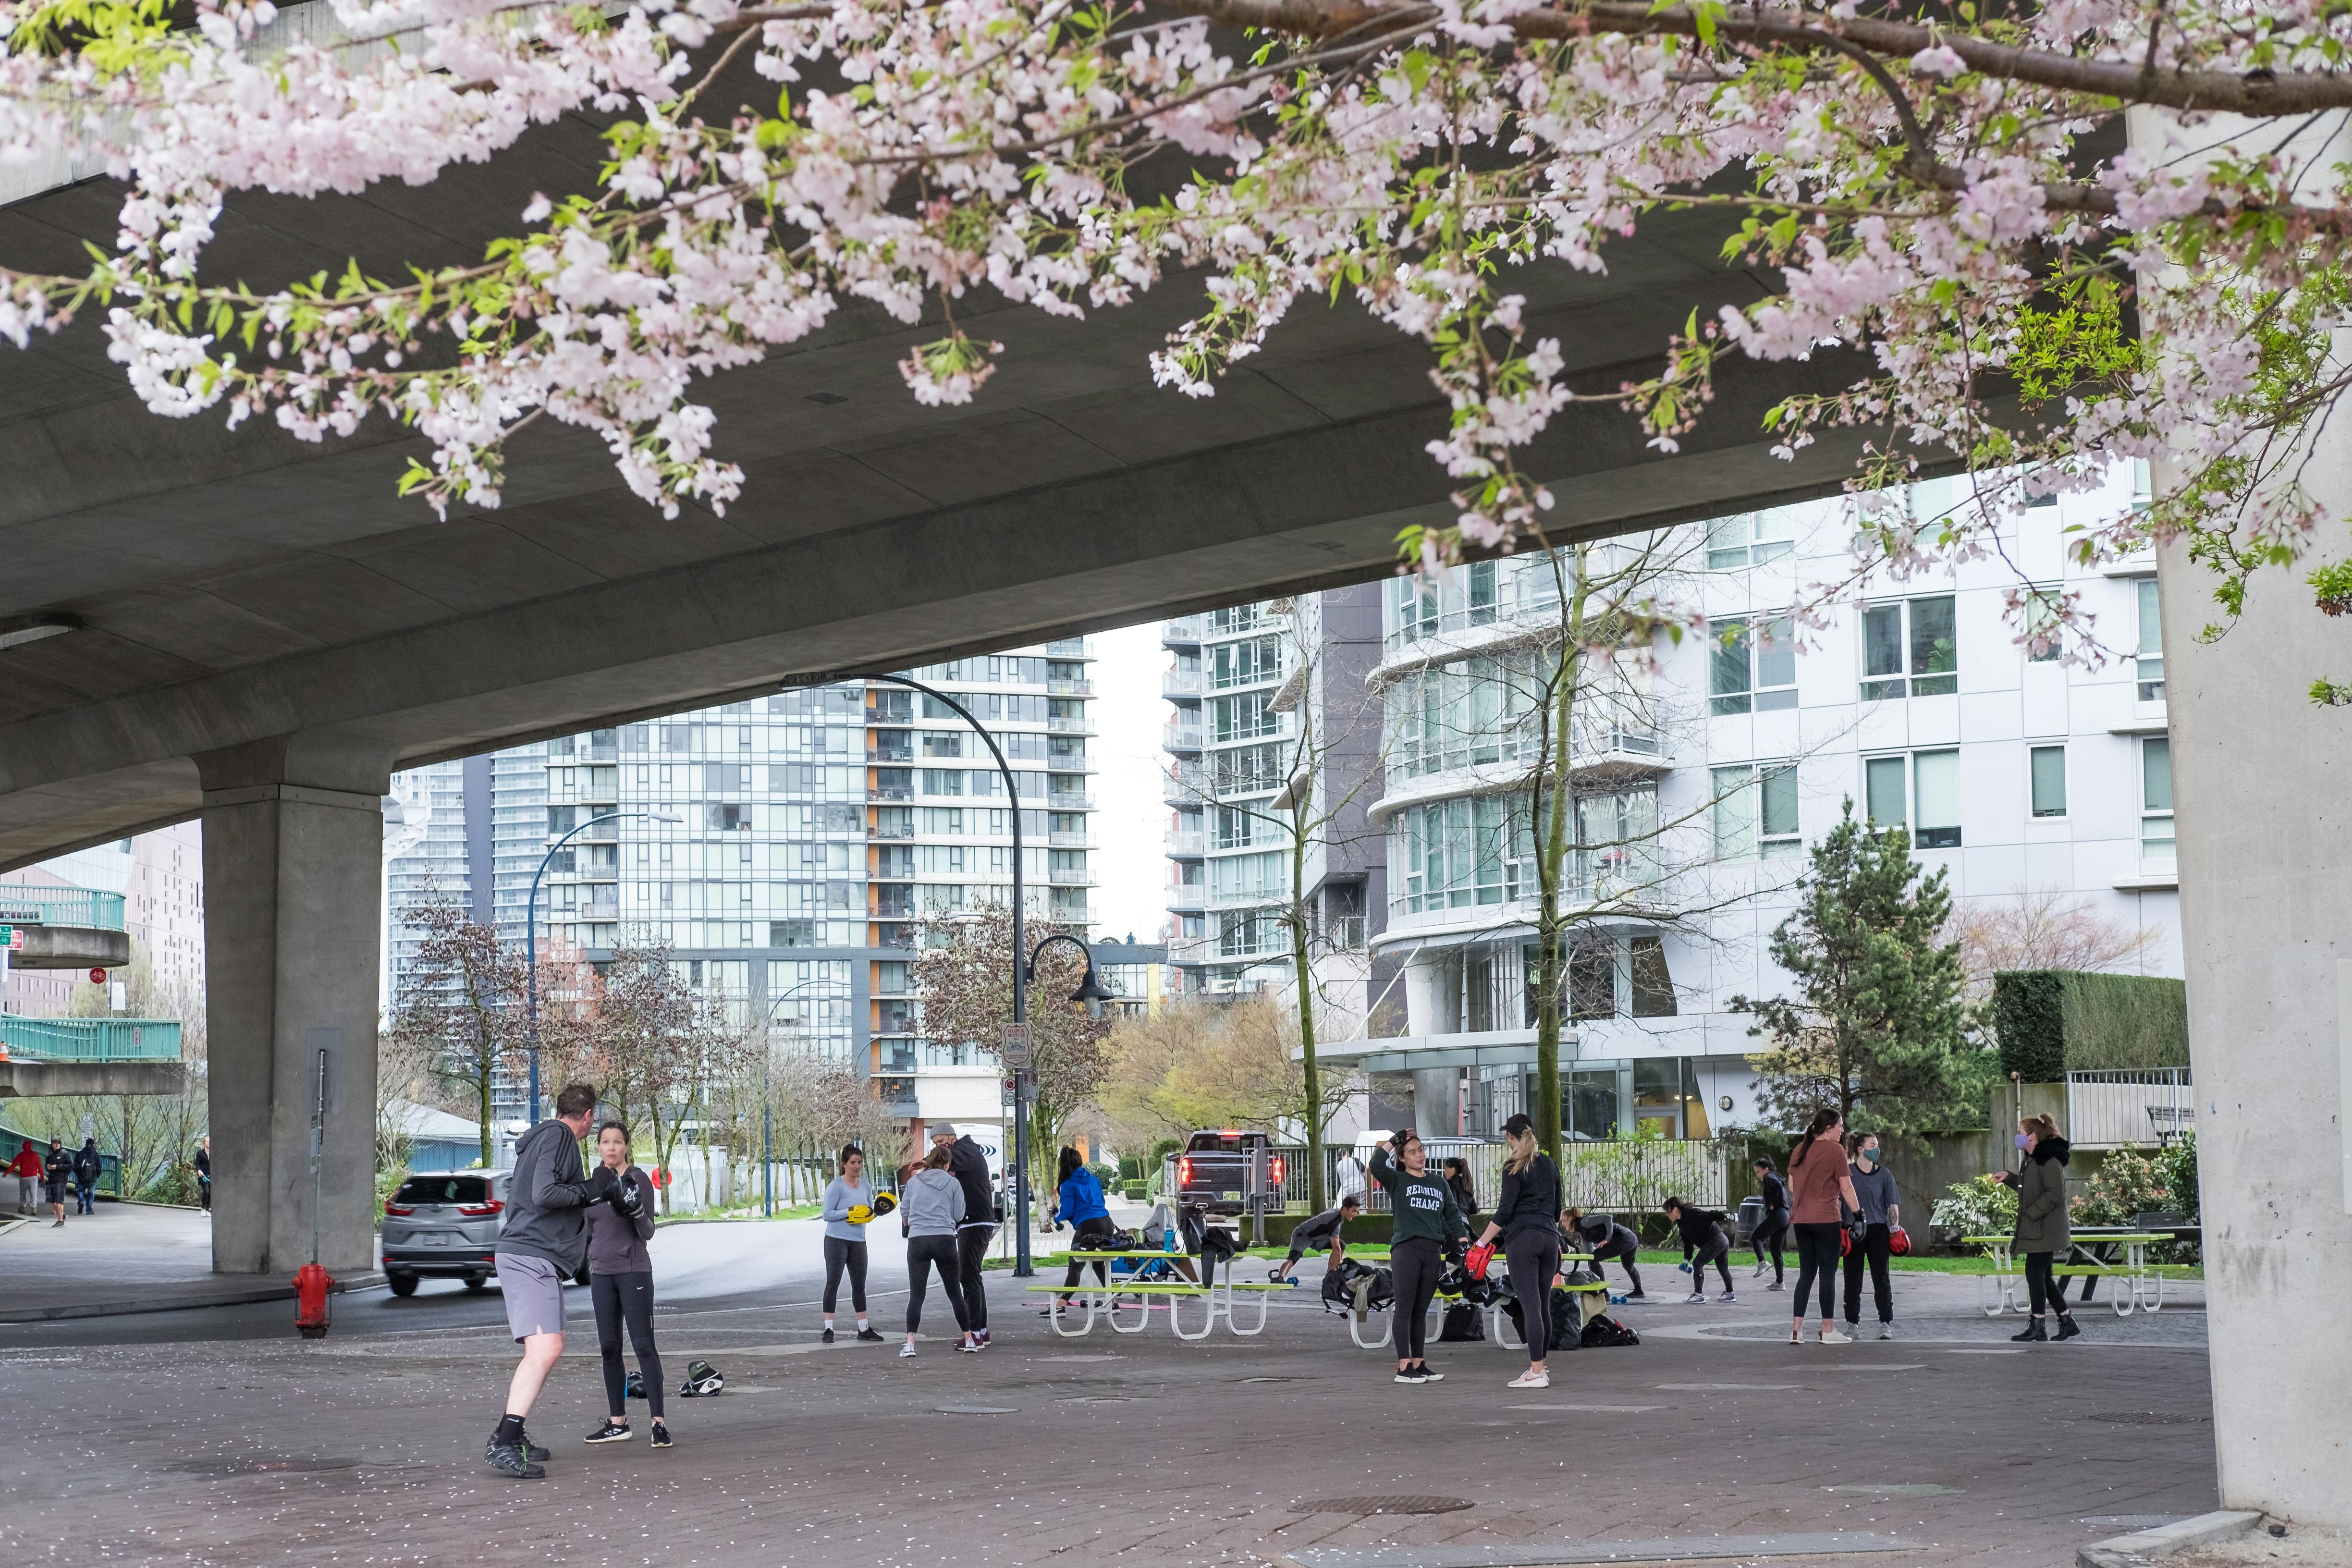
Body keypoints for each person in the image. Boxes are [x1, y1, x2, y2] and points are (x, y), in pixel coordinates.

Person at [485, 1082, 616, 1479]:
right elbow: (545, 1194)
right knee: (546, 1349)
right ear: (589, 1116)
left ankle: (514, 1431)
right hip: (530, 1256)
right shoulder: (560, 1136)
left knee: (545, 1347)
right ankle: (504, 1441)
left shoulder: (545, 1138)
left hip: (534, 1256)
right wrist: (592, 1190)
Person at [580, 1120, 667, 1450]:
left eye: (618, 1142)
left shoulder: (638, 1180)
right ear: (599, 1146)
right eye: (605, 1142)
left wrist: (633, 1209)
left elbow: (648, 1231)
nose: (612, 1147)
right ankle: (618, 1422)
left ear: (626, 1146)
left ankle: (659, 1423)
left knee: (643, 1345)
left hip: (633, 1272)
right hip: (601, 1274)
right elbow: (588, 1231)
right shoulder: (594, 1184)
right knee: (609, 1348)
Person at [1368, 1127, 1468, 1384]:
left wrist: (1462, 1239)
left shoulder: (1439, 1182)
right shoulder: (1398, 1181)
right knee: (1405, 1308)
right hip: (1406, 1250)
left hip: (1432, 1251)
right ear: (1403, 1158)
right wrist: (1394, 1141)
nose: (1420, 1155)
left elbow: (1452, 1214)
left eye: (1421, 1149)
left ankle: (1419, 1363)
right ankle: (1403, 1367)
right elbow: (1376, 1165)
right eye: (1412, 1152)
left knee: (1421, 1310)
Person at [1472, 1113, 1564, 1390]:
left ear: (1511, 1138)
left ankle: (1537, 1372)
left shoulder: (1513, 1166)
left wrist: (1480, 1243)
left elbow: (1504, 1213)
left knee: (1530, 1306)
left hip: (1524, 1240)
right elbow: (1558, 1209)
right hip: (1550, 1239)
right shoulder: (1550, 1165)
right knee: (1543, 1305)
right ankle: (1541, 1367)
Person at [1990, 1114, 2081, 1343]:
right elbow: (2028, 1187)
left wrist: (2032, 1214)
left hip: (2046, 1230)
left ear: (2032, 1137)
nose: (2017, 1138)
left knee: (2034, 1274)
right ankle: (2067, 1321)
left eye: (2020, 1134)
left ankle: (2038, 1325)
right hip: (2039, 1229)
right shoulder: (2030, 1159)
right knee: (2045, 1278)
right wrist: (2009, 1178)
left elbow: (2055, 1194)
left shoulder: (2047, 1160)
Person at [1786, 1107, 1862, 1346]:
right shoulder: (1835, 1150)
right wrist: (1859, 1215)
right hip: (1826, 1219)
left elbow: (1791, 1185)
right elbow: (1847, 1187)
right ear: (1829, 1128)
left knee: (1806, 1274)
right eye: (1840, 1126)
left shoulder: (1800, 1149)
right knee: (1827, 1275)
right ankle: (1827, 1330)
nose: (1842, 1131)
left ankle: (1796, 1331)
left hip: (1801, 1220)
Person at [900, 1142, 975, 1357]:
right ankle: (969, 1339)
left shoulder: (914, 1182)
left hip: (918, 1241)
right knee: (954, 1293)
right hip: (945, 1240)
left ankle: (910, 1344)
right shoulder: (953, 1183)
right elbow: (959, 1214)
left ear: (929, 1161)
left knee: (917, 1295)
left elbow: (904, 1210)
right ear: (948, 1164)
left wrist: (912, 1220)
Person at [819, 1145, 884, 1344]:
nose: (857, 1167)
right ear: (844, 1164)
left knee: (859, 1285)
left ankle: (863, 1328)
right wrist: (849, 1212)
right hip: (836, 1240)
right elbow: (827, 1215)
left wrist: (875, 1213)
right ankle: (828, 1329)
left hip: (858, 1241)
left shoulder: (865, 1186)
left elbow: (869, 1210)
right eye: (853, 1163)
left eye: (859, 1163)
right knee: (833, 1282)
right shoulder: (836, 1186)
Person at [942, 1125, 998, 1349]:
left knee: (967, 1276)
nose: (941, 1147)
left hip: (974, 1220)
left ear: (951, 1136)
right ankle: (982, 1331)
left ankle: (974, 1333)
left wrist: (927, 1165)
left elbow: (942, 1163)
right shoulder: (970, 1149)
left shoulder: (963, 1149)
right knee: (974, 1276)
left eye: (940, 1142)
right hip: (977, 1219)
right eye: (936, 1144)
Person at [1841, 1131, 1901, 1340]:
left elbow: (1892, 1205)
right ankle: (1852, 1324)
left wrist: (1894, 1231)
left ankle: (1885, 1323)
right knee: (1852, 1279)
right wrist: (1841, 1228)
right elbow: (1839, 1201)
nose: (1877, 1148)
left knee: (1881, 1278)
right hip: (1854, 1230)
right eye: (1873, 1144)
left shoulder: (1885, 1174)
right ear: (1861, 1149)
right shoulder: (1847, 1173)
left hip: (1877, 1230)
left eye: (1877, 1144)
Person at [1053, 1147, 1115, 1307]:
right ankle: (1113, 1303)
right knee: (1098, 1264)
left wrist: (1056, 1217)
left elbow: (1066, 1210)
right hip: (1107, 1222)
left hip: (1089, 1225)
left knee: (1075, 1264)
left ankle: (1060, 1306)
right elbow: (1101, 1201)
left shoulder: (1068, 1184)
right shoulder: (1094, 1179)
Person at [1271, 1196, 1360, 1285]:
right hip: (1303, 1235)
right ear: (1345, 1209)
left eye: (1357, 1212)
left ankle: (1329, 1277)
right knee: (1294, 1257)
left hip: (1319, 1238)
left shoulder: (1338, 1214)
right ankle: (1280, 1278)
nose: (1355, 1215)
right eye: (1353, 1211)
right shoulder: (1334, 1223)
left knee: (1341, 1246)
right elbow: (1336, 1249)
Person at [1662, 1196, 1735, 1303]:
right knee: (1723, 1268)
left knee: (1698, 1264)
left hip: (1716, 1240)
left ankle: (1698, 1295)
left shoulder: (1691, 1213)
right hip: (1721, 1240)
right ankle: (1730, 1294)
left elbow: (1709, 1216)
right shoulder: (1681, 1223)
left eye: (1668, 1212)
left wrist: (1725, 1215)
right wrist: (1687, 1260)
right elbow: (1688, 1243)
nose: (1667, 1215)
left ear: (1676, 1209)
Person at [1568, 1209, 1647, 1301]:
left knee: (1594, 1259)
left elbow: (1608, 1218)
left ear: (1570, 1219)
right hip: (1631, 1238)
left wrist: (1608, 1239)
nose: (1562, 1224)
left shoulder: (1585, 1222)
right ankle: (1639, 1291)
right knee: (1628, 1265)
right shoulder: (1583, 1234)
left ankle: (1604, 1294)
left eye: (1563, 1221)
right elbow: (1590, 1255)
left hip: (1623, 1238)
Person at [1750, 1156, 1789, 1289]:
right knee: (1775, 1250)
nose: (1757, 1176)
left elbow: (1778, 1187)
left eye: (1758, 1172)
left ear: (1766, 1170)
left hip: (1778, 1215)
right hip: (1785, 1217)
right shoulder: (1776, 1177)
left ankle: (1762, 1262)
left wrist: (1773, 1203)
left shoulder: (1769, 1178)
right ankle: (1780, 1282)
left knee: (1755, 1237)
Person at [41, 1138, 70, 1228]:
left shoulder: (65, 1154)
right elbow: (47, 1166)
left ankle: (60, 1220)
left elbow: (70, 1166)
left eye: (58, 1143)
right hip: (52, 1180)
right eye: (55, 1143)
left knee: (59, 1201)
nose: (56, 1145)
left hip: (61, 1181)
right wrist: (49, 1167)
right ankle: (62, 1215)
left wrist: (58, 1167)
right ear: (52, 1145)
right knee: (51, 1201)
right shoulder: (50, 1156)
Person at [9, 1139, 40, 1216]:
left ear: (23, 1147)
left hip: (24, 1177)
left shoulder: (20, 1155)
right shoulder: (35, 1155)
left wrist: (7, 1173)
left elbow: (14, 1165)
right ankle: (34, 1208)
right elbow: (40, 1167)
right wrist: (42, 1176)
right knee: (34, 1193)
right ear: (31, 1147)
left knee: (23, 1193)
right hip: (34, 1177)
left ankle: (23, 1207)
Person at [1443, 1157, 1480, 1221]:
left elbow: (1452, 1204)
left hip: (1456, 1220)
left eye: (1446, 1170)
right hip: (1466, 1220)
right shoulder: (1466, 1184)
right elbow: (1474, 1210)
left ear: (1453, 1170)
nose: (1445, 1173)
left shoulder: (1450, 1183)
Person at [73, 1138, 101, 1215]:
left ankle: (81, 1201)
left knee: (81, 1191)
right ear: (94, 1144)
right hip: (93, 1178)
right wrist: (97, 1176)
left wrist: (78, 1174)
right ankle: (89, 1210)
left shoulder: (80, 1154)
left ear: (86, 1144)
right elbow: (99, 1167)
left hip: (82, 1178)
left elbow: (75, 1167)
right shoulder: (97, 1155)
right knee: (91, 1193)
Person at [194, 1137, 211, 1214]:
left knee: (211, 1193)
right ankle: (203, 1209)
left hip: (211, 1176)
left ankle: (207, 1209)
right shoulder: (200, 1153)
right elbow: (197, 1163)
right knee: (206, 1191)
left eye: (210, 1141)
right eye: (207, 1141)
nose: (209, 1143)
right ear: (204, 1143)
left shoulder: (213, 1153)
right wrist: (199, 1170)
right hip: (203, 1176)